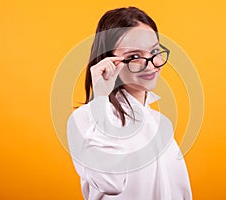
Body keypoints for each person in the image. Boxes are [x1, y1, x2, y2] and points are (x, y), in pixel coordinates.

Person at [67, 7, 192, 200]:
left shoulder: (161, 123)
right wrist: (100, 99)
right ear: (108, 60)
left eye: (155, 51)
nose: (151, 64)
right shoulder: (85, 119)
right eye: (134, 56)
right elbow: (110, 183)